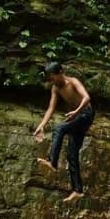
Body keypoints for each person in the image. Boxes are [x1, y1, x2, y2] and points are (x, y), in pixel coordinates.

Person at [33, 62, 94, 203]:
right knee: (71, 153)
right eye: (50, 79)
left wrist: (76, 112)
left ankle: (52, 161)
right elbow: (51, 108)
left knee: (59, 128)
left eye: (53, 78)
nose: (52, 81)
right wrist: (41, 125)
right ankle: (78, 190)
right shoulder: (55, 89)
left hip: (86, 114)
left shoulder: (73, 82)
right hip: (77, 117)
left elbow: (87, 98)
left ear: (60, 73)